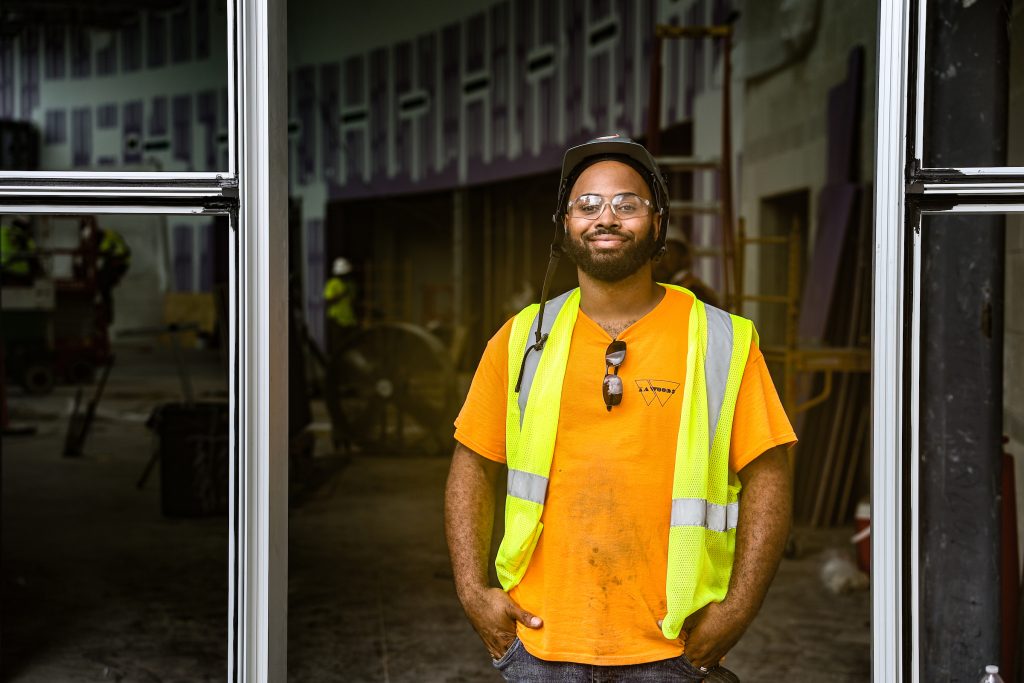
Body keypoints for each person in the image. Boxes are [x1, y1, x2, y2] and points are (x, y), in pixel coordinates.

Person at [445, 134, 796, 681]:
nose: (604, 218)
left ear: (658, 222)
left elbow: (768, 475)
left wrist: (739, 607)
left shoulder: (722, 341)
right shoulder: (520, 340)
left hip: (673, 646)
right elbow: (472, 464)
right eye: (586, 205)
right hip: (541, 644)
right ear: (564, 224)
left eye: (626, 204)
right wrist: (473, 591)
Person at [80, 217, 131, 326]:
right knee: (101, 283)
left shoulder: (105, 242)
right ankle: (103, 314)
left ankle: (107, 316)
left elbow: (119, 254)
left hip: (119, 264)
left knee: (104, 286)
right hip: (117, 262)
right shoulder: (105, 236)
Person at [653, 237, 721, 308]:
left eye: (667, 254)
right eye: (657, 254)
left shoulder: (693, 290)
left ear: (683, 258)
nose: (661, 261)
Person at [323, 256, 358, 352]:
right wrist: (341, 295)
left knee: (350, 346)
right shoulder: (332, 283)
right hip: (337, 320)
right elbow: (328, 300)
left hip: (350, 320)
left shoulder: (351, 284)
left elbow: (353, 301)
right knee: (338, 347)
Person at [1, 216, 41, 286]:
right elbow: (34, 258)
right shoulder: (27, 239)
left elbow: (33, 257)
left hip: (11, 273)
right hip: (17, 274)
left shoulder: (3, 231)